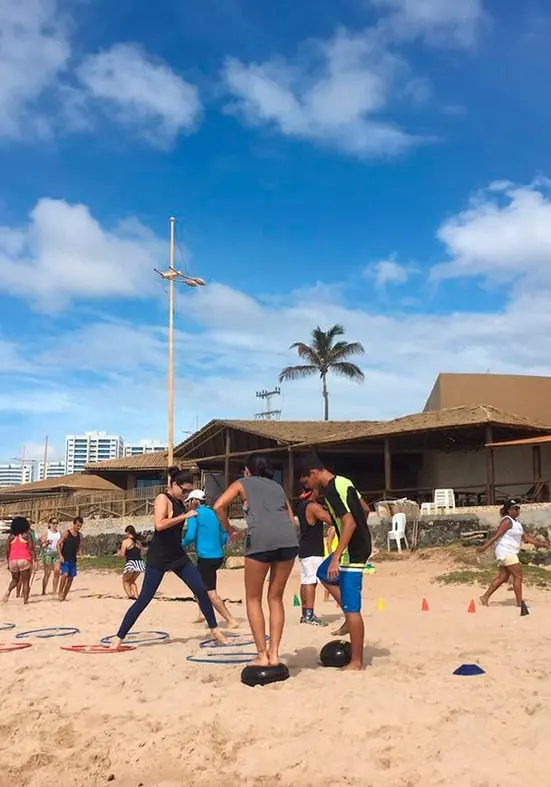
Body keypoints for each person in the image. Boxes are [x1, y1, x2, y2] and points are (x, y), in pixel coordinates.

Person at [110, 468, 227, 648]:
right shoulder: (162, 499)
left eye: (189, 491)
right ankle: (119, 637)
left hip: (177, 555)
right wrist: (185, 515)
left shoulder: (180, 502)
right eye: (184, 490)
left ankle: (215, 630)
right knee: (144, 599)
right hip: (159, 557)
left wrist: (189, 511)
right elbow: (159, 524)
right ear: (174, 485)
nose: (186, 494)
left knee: (201, 589)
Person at [214, 454, 299, 668]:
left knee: (253, 598)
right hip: (288, 539)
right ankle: (275, 654)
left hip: (260, 539)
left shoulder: (242, 483)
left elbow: (218, 506)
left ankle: (262, 654)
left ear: (247, 470)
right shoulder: (277, 487)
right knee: (276, 598)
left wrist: (228, 529)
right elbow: (290, 518)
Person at [298, 453, 372, 671]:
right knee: (322, 572)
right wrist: (360, 532)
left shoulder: (331, 491)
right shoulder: (344, 481)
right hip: (357, 545)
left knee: (353, 608)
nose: (309, 487)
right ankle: (349, 617)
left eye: (307, 482)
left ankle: (356, 661)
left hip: (352, 553)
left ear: (313, 474)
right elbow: (365, 509)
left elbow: (348, 522)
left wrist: (338, 555)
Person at [182, 489, 238, 629]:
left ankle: (230, 620)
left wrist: (179, 544)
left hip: (206, 558)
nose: (188, 505)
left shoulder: (194, 515)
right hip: (218, 556)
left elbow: (190, 535)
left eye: (189, 502)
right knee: (197, 585)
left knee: (211, 592)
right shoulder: (215, 513)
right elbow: (225, 534)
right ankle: (202, 613)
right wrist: (216, 545)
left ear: (194, 502)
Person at [479, 499, 546, 609]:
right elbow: (496, 536)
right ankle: (520, 603)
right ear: (509, 510)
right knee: (518, 576)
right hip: (506, 551)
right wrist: (484, 547)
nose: (518, 510)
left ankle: (485, 597)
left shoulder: (517, 523)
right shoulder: (507, 521)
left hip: (509, 552)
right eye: (515, 508)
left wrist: (541, 544)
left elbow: (526, 537)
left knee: (503, 577)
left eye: (518, 508)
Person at [296, 488, 332, 626]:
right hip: (313, 549)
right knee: (311, 582)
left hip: (305, 547)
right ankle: (309, 615)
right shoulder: (313, 506)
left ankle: (305, 613)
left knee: (305, 581)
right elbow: (330, 519)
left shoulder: (301, 506)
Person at [3, 516, 37, 604]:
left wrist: (8, 561)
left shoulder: (11, 536)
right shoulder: (26, 535)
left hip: (13, 560)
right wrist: (35, 560)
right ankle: (25, 601)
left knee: (15, 580)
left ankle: (8, 591)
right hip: (24, 559)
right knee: (26, 581)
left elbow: (7, 550)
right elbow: (31, 548)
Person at [57, 517, 83, 601]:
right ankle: (60, 592)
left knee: (70, 579)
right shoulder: (67, 533)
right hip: (65, 558)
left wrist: (80, 553)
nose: (79, 527)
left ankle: (64, 596)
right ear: (74, 524)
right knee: (64, 575)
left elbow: (78, 547)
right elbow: (58, 544)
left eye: (80, 526)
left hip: (73, 559)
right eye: (78, 525)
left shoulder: (79, 535)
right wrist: (60, 555)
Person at [118, 525, 145, 600]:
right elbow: (142, 552)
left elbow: (122, 554)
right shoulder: (138, 542)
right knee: (132, 581)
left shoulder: (125, 541)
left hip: (131, 563)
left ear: (128, 532)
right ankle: (136, 595)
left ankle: (130, 595)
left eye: (126, 533)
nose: (125, 534)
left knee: (125, 580)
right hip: (140, 563)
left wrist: (118, 554)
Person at [41, 517, 61, 595]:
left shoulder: (59, 533)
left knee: (57, 571)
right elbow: (42, 544)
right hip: (48, 554)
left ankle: (54, 590)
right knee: (47, 573)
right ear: (50, 524)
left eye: (56, 523)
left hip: (56, 554)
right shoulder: (47, 532)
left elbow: (61, 543)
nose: (55, 524)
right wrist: (47, 543)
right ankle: (44, 590)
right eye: (54, 523)